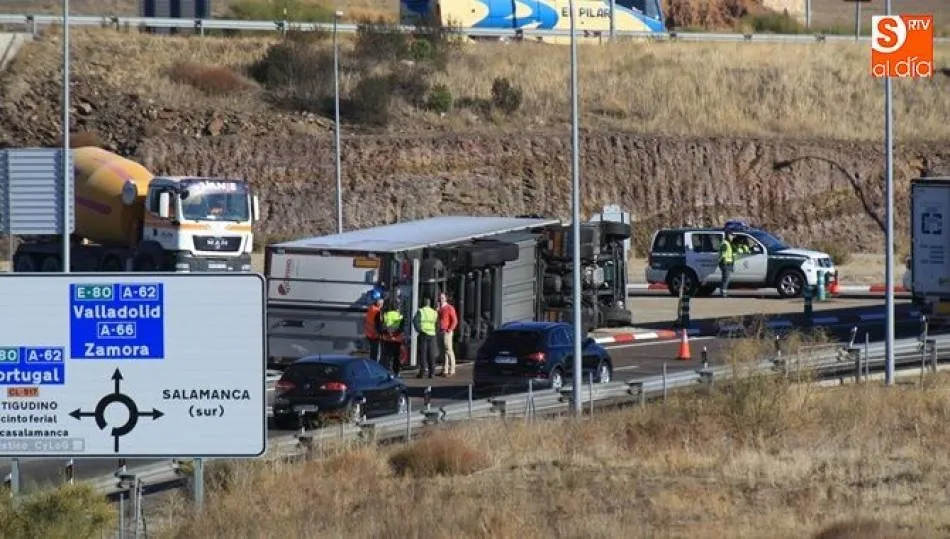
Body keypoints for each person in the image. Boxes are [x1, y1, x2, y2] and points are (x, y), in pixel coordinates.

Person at [413, 297, 439, 379]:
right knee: (431, 354)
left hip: (423, 335)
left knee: (423, 354)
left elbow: (415, 321)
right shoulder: (434, 312)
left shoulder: (421, 311)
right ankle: (432, 373)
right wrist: (435, 332)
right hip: (432, 335)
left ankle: (422, 372)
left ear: (423, 303)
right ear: (429, 304)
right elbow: (438, 324)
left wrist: (419, 330)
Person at [380, 297, 404, 375]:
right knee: (396, 357)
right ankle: (397, 372)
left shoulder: (386, 315)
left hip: (387, 339)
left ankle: (388, 372)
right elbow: (401, 327)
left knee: (387, 357)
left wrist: (388, 334)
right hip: (397, 339)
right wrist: (395, 334)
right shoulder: (400, 315)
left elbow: (383, 327)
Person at [437, 292, 459, 377]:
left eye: (442, 298)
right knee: (443, 352)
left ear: (446, 298)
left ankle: (452, 369)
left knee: (449, 350)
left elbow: (455, 320)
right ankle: (445, 370)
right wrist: (437, 311)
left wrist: (450, 329)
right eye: (440, 298)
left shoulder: (449, 308)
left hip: (447, 331)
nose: (440, 299)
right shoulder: (440, 309)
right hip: (441, 331)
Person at [364, 293, 384, 362]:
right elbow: (378, 325)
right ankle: (374, 367)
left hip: (369, 334)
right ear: (379, 304)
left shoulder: (371, 308)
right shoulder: (377, 311)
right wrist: (381, 333)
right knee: (375, 353)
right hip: (374, 335)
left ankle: (371, 364)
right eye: (382, 304)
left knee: (372, 353)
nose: (382, 306)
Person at [719, 232, 735, 298]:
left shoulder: (728, 243)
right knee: (726, 278)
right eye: (732, 236)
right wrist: (724, 262)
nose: (733, 237)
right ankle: (723, 292)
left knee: (726, 278)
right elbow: (723, 254)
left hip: (728, 263)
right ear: (728, 236)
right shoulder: (725, 243)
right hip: (725, 263)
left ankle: (723, 291)